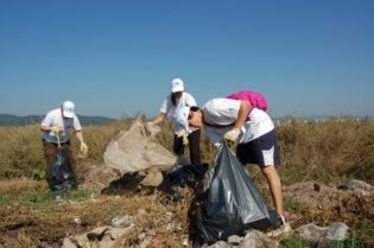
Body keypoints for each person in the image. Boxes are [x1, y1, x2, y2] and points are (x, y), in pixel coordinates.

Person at [188, 97, 291, 233]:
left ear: (192, 113)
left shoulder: (212, 108)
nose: (193, 127)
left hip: (258, 128)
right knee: (237, 169)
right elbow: (222, 150)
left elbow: (245, 105)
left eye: (190, 123)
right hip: (244, 137)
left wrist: (236, 129)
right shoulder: (208, 128)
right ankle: (247, 209)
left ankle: (281, 219)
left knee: (268, 170)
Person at [148, 78, 202, 167]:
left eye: (179, 91)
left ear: (183, 89)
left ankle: (197, 173)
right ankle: (180, 172)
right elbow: (162, 116)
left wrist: (187, 129)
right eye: (175, 91)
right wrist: (151, 123)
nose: (178, 93)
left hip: (192, 127)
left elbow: (194, 115)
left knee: (194, 152)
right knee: (177, 151)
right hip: (179, 129)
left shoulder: (188, 97)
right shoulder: (169, 99)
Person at [40, 100, 88, 186]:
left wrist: (82, 142)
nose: (67, 117)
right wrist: (51, 128)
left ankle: (74, 181)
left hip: (65, 141)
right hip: (50, 142)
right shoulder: (52, 114)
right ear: (61, 109)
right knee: (52, 162)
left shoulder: (74, 118)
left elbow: (78, 130)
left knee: (71, 160)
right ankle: (53, 183)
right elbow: (42, 127)